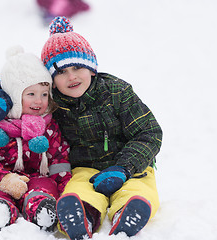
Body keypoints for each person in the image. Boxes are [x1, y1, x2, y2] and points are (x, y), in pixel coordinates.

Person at [40, 16, 163, 239]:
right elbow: (24, 106)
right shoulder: (53, 105)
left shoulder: (117, 92)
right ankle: (82, 216)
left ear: (92, 68)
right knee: (77, 190)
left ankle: (128, 212)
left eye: (78, 67)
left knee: (138, 189)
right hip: (83, 169)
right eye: (61, 72)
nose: (71, 77)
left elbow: (149, 133)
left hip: (130, 166)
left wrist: (124, 167)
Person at [0, 46, 71, 233]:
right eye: (31, 94)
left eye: (44, 95)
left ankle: (42, 210)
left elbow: (58, 159)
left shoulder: (48, 127)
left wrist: (65, 191)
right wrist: (3, 179)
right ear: (13, 96)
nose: (39, 101)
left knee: (45, 187)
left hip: (35, 178)